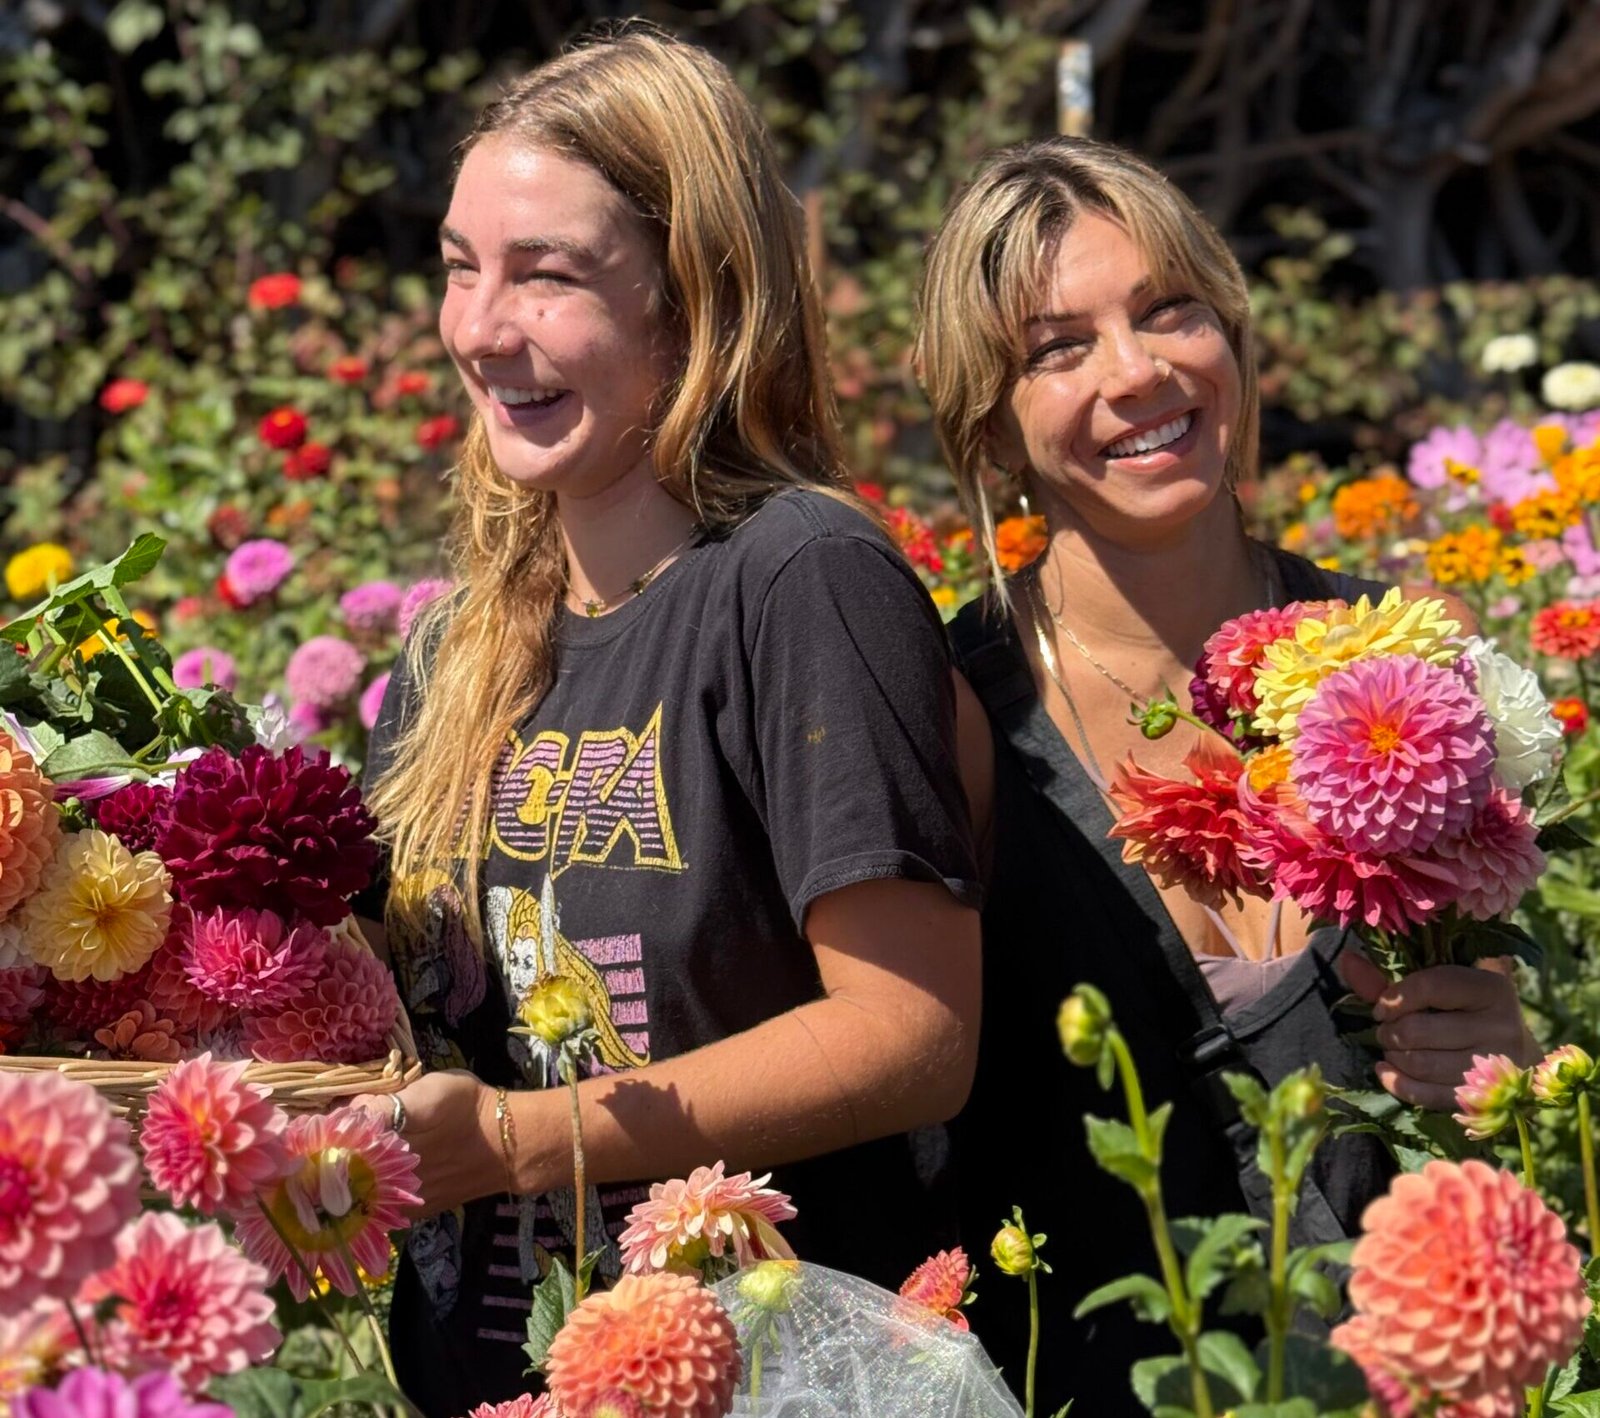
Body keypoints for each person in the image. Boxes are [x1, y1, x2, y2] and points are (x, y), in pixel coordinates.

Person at [356, 26, 981, 1416]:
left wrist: (519, 1141)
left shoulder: (802, 576)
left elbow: (914, 1030)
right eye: (462, 265)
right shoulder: (461, 642)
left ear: (693, 293)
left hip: (769, 1371)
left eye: (548, 275)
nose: (478, 327)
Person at [916, 137, 1532, 1413]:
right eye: (1057, 347)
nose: (1136, 372)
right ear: (990, 420)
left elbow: (1536, 1053)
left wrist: (1506, 1047)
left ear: (1233, 338)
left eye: (1167, 310)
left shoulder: (1402, 670)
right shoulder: (944, 715)